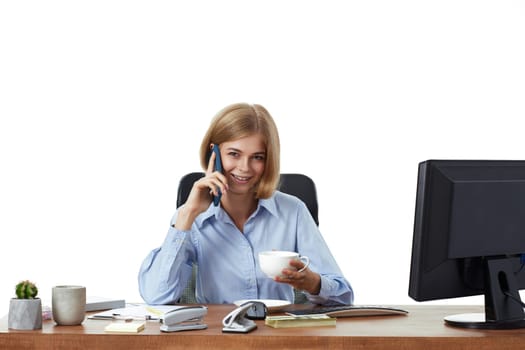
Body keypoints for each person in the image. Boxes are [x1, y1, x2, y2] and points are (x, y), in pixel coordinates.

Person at [138, 103, 353, 305]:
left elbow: (343, 297)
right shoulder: (191, 217)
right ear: (214, 153)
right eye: (234, 154)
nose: (245, 168)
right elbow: (157, 296)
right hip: (217, 338)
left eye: (257, 157)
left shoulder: (293, 211)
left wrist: (312, 283)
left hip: (277, 338)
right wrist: (187, 213)